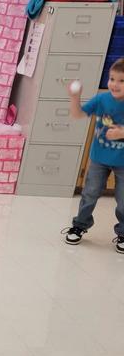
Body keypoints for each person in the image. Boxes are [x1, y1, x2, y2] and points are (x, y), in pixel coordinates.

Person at [62, 61, 124, 253]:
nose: (114, 84)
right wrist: (75, 98)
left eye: (122, 81)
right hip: (99, 158)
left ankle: (123, 233)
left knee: (123, 200)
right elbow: (78, 114)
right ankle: (79, 225)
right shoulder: (102, 99)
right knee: (90, 194)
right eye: (112, 79)